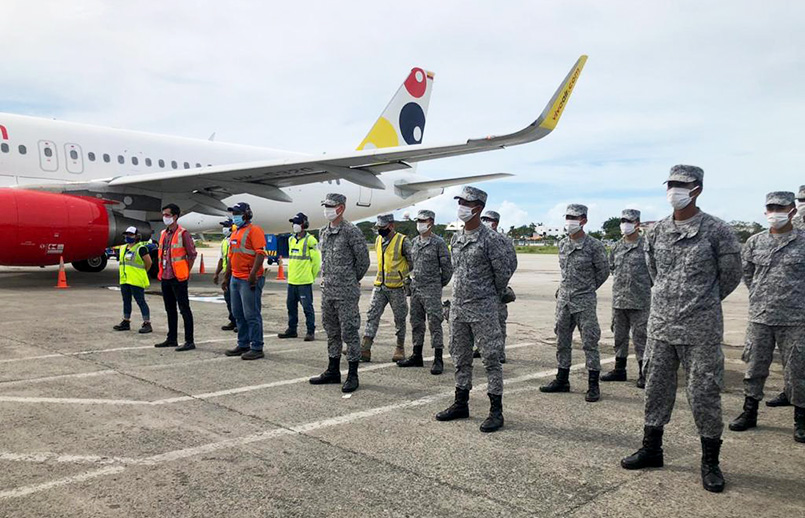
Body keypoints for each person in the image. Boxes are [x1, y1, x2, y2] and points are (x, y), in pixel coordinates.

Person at [620, 165, 742, 494]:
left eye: (681, 184)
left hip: (700, 329)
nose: (674, 190)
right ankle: (652, 448)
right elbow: (654, 273)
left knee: (704, 394)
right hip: (660, 327)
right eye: (670, 184)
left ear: (697, 189)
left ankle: (710, 461)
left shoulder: (717, 230)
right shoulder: (657, 232)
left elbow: (730, 276)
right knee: (656, 390)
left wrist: (700, 302)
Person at [435, 186, 516, 433]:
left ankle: (496, 411)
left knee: (491, 358)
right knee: (460, 357)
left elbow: (504, 271)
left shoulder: (492, 239)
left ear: (477, 208)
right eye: (459, 201)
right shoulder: (456, 238)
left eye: (465, 203)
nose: (460, 207)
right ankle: (461, 403)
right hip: (459, 308)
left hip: (483, 308)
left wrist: (489, 295)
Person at [729, 191, 805, 443]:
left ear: (792, 210)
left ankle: (801, 419)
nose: (774, 212)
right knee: (754, 367)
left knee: (798, 370)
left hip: (796, 319)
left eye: (780, 207)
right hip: (760, 317)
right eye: (770, 207)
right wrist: (763, 295)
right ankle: (749, 412)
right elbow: (747, 274)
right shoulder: (754, 242)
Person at [540, 204, 609, 402]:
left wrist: (587, 288)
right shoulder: (563, 244)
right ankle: (562, 379)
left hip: (584, 301)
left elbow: (603, 272)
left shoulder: (594, 245)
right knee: (562, 341)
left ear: (583, 221)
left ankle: (593, 385)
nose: (569, 221)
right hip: (564, 301)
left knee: (589, 342)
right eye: (567, 217)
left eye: (574, 217)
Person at [309, 193, 370, 393]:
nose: (326, 209)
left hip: (346, 292)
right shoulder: (323, 232)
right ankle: (333, 370)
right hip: (328, 292)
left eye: (330, 206)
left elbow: (363, 262)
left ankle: (353, 374)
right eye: (325, 205)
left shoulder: (351, 231)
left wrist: (350, 281)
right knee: (332, 332)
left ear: (341, 208)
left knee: (350, 332)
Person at [397, 210, 453, 374]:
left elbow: (447, 269)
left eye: (423, 220)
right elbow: (412, 264)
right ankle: (417, 355)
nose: (419, 223)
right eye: (418, 220)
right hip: (416, 289)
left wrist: (437, 284)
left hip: (432, 289)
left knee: (435, 323)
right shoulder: (414, 242)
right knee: (416, 323)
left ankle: (438, 358)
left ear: (431, 222)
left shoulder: (438, 243)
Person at [602, 209, 651, 388]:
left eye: (628, 221)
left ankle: (644, 373)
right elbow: (612, 268)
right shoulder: (616, 247)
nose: (625, 224)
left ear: (637, 223)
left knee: (641, 338)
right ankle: (619, 370)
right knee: (619, 336)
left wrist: (643, 286)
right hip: (619, 300)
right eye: (623, 220)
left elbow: (655, 271)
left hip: (640, 301)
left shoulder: (646, 246)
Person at [361, 214, 412, 362]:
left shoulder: (402, 241)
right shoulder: (378, 240)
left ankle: (399, 347)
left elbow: (412, 261)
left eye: (383, 227)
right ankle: (365, 348)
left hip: (396, 287)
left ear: (391, 225)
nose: (380, 230)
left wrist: (401, 274)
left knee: (400, 318)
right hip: (379, 285)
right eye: (378, 227)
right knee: (372, 315)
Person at [222, 202, 267, 360]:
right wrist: (227, 277)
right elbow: (231, 257)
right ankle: (243, 343)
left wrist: (253, 274)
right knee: (238, 313)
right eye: (233, 213)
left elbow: (260, 253)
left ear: (247, 214)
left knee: (252, 314)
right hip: (236, 277)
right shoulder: (235, 233)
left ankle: (257, 346)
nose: (234, 216)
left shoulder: (254, 230)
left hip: (248, 278)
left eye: (237, 213)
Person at [154, 204, 197, 351]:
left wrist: (186, 271)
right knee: (170, 309)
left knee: (184, 309)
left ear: (175, 216)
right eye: (163, 214)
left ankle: (189, 341)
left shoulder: (183, 233)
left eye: (167, 215)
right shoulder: (163, 234)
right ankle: (172, 338)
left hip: (178, 278)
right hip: (165, 276)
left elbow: (192, 254)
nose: (164, 217)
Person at [278, 212, 321, 341]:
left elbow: (316, 262)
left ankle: (310, 331)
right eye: (294, 223)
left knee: (307, 308)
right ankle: (292, 329)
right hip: (292, 281)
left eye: (297, 223)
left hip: (304, 281)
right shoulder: (291, 239)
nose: (294, 225)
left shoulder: (311, 240)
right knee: (291, 307)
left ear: (304, 225)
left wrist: (311, 277)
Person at [480, 210, 515, 363]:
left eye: (487, 219)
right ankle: (480, 348)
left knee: (499, 321)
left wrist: (501, 282)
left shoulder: (504, 241)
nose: (485, 222)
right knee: (480, 320)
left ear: (495, 223)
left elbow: (512, 263)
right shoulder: (480, 238)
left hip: (497, 288)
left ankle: (500, 353)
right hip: (480, 288)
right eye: (483, 219)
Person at [113, 226, 153, 334]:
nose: (127, 237)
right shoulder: (123, 248)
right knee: (126, 301)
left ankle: (147, 323)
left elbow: (148, 263)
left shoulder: (141, 248)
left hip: (136, 280)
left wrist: (142, 272)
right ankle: (126, 321)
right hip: (125, 280)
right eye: (126, 234)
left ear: (136, 236)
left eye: (130, 235)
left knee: (140, 301)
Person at [213, 219, 237, 333]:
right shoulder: (224, 242)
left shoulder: (234, 240)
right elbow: (222, 258)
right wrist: (216, 273)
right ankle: (233, 320)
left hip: (234, 273)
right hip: (227, 273)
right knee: (228, 299)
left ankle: (239, 322)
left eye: (226, 226)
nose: (224, 229)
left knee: (236, 300)